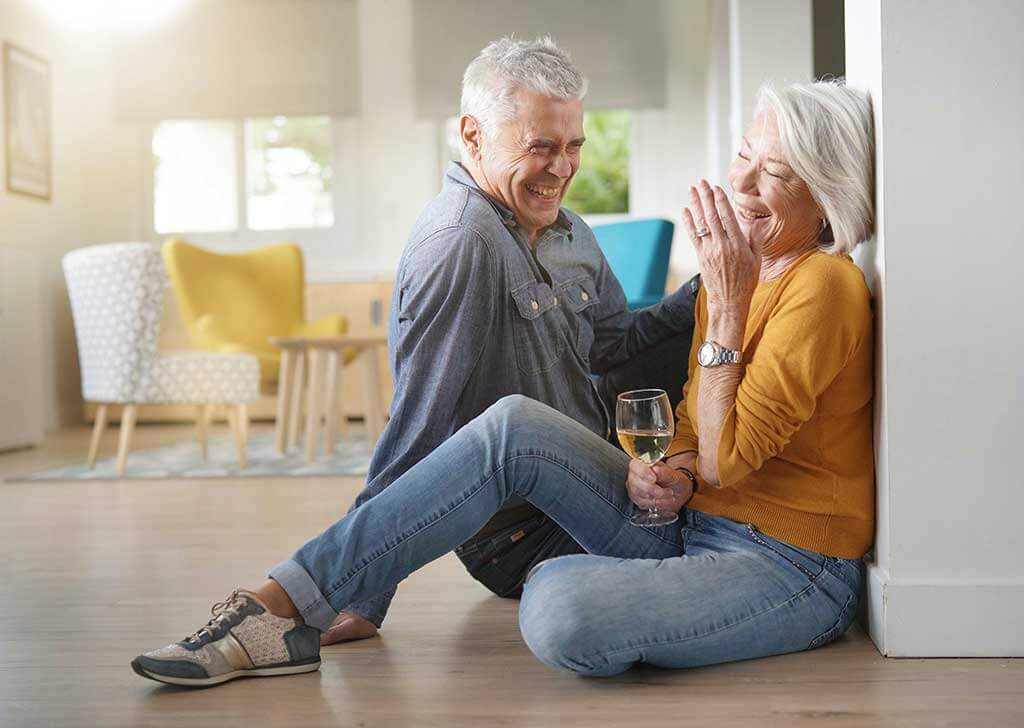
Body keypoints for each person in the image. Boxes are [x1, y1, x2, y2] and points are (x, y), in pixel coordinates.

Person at [132, 78, 874, 686]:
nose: (741, 181)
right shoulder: (729, 273)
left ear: (827, 192)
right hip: (692, 523)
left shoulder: (823, 288)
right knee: (513, 422)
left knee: (559, 607)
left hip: (787, 563)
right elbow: (694, 428)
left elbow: (730, 458)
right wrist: (674, 468)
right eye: (743, 156)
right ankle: (282, 606)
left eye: (773, 172)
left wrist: (725, 317)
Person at [319, 36, 698, 645]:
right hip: (522, 533)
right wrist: (361, 592)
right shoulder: (460, 243)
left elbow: (614, 344)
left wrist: (715, 285)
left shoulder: (568, 229)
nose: (564, 168)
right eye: (541, 148)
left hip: (595, 475)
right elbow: (419, 424)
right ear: (472, 135)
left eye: (574, 146)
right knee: (729, 533)